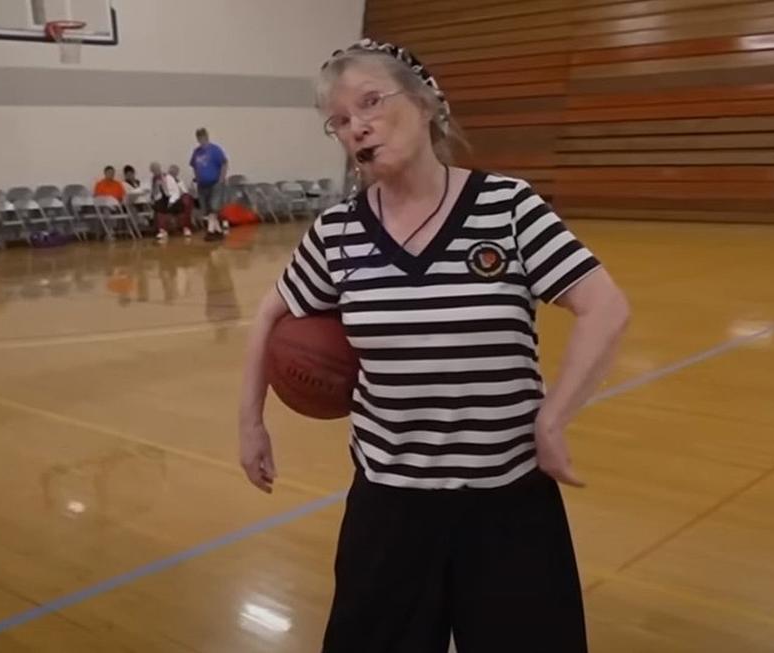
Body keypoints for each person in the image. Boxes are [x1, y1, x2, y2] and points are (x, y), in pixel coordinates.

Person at [237, 39, 630, 653]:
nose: (356, 127)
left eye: (370, 103)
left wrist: (554, 418)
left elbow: (604, 305)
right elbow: (271, 311)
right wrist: (251, 424)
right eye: (339, 121)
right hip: (389, 506)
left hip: (508, 501)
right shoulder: (337, 232)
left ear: (425, 104)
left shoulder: (508, 207)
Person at [189, 127, 228, 241]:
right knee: (206, 209)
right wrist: (197, 177)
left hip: (215, 182)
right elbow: (194, 165)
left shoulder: (215, 150)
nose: (201, 139)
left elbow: (224, 164)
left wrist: (221, 179)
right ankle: (218, 231)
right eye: (199, 137)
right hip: (202, 184)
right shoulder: (196, 152)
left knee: (213, 207)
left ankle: (210, 231)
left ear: (206, 137)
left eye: (203, 137)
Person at [148, 161, 186, 240]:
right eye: (153, 170)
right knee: (158, 206)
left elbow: (175, 192)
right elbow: (154, 193)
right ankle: (162, 230)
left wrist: (171, 201)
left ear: (159, 169)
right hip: (162, 199)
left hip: (172, 198)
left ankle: (184, 227)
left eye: (156, 170)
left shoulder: (168, 178)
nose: (155, 172)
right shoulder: (153, 179)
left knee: (178, 206)